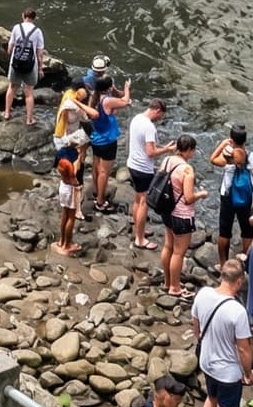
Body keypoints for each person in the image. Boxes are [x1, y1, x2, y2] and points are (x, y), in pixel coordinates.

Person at [192, 259, 253, 407]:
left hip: (207, 362)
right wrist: (248, 373)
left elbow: (196, 323)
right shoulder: (237, 311)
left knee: (211, 398)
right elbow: (244, 349)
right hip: (227, 371)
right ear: (239, 282)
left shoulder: (203, 294)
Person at [83, 59, 131, 213]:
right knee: (105, 172)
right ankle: (100, 201)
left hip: (96, 138)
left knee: (96, 167)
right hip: (108, 141)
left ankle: (98, 191)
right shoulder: (107, 101)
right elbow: (126, 101)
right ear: (108, 88)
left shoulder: (93, 98)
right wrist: (126, 88)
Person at [155, 134, 200, 295]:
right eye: (192, 151)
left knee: (168, 245)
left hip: (167, 210)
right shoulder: (187, 170)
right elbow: (188, 198)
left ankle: (167, 282)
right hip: (181, 214)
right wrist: (201, 194)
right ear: (187, 150)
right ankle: (175, 287)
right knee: (179, 253)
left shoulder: (167, 160)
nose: (193, 154)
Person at [211, 124, 253, 265]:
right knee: (247, 231)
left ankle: (223, 264)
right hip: (246, 198)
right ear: (245, 141)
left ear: (231, 140)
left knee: (224, 231)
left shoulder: (227, 157)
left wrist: (222, 144)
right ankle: (246, 262)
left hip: (227, 196)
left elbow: (212, 159)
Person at [125, 97, 171, 251]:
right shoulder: (149, 127)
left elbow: (145, 143)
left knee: (138, 199)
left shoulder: (137, 118)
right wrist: (167, 150)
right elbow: (151, 152)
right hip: (143, 168)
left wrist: (162, 146)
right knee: (144, 202)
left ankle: (138, 228)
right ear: (157, 110)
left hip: (132, 164)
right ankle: (140, 239)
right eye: (161, 115)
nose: (160, 119)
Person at [1, 7, 45, 124]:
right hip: (30, 65)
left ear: (23, 16)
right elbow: (39, 53)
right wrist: (40, 68)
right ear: (34, 19)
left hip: (16, 63)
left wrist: (11, 59)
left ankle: (6, 112)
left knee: (12, 87)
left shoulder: (16, 28)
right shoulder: (37, 31)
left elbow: (10, 47)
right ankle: (29, 119)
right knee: (29, 93)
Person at [53, 127, 87, 257]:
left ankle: (61, 241)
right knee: (71, 216)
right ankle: (67, 245)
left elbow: (57, 167)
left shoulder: (60, 152)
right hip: (72, 188)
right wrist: (79, 160)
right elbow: (74, 177)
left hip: (63, 185)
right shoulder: (75, 156)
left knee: (64, 213)